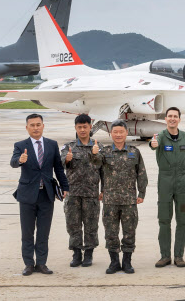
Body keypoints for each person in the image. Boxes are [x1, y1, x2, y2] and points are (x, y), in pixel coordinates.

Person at [10, 113, 69, 276]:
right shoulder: (20, 145)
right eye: (32, 125)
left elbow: (58, 168)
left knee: (43, 232)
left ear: (43, 126)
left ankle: (42, 263)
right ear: (27, 127)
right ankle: (29, 264)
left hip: (46, 195)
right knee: (27, 232)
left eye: (38, 124)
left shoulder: (51, 144)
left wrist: (65, 186)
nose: (35, 128)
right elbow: (13, 162)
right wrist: (20, 160)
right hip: (27, 195)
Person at [97, 119, 148, 274]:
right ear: (111, 134)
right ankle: (114, 262)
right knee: (111, 233)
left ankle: (127, 262)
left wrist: (142, 193)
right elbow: (96, 170)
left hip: (129, 200)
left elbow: (141, 173)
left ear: (126, 133)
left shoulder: (134, 152)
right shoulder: (104, 152)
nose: (118, 135)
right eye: (115, 132)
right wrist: (101, 190)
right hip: (110, 200)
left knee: (129, 232)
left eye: (121, 132)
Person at [150, 107, 185, 268]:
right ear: (166, 119)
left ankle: (179, 256)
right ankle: (165, 256)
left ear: (179, 119)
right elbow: (154, 144)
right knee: (164, 219)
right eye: (169, 116)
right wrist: (153, 143)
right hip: (165, 181)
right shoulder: (161, 136)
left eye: (175, 116)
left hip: (182, 182)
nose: (172, 119)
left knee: (182, 220)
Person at [60, 114, 102, 268]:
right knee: (73, 224)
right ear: (75, 128)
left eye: (85, 126)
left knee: (91, 224)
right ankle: (77, 253)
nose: (82, 130)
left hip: (91, 193)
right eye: (79, 127)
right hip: (73, 193)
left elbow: (104, 171)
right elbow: (60, 162)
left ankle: (89, 253)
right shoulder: (68, 146)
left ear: (90, 127)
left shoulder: (98, 147)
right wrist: (67, 159)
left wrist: (103, 190)